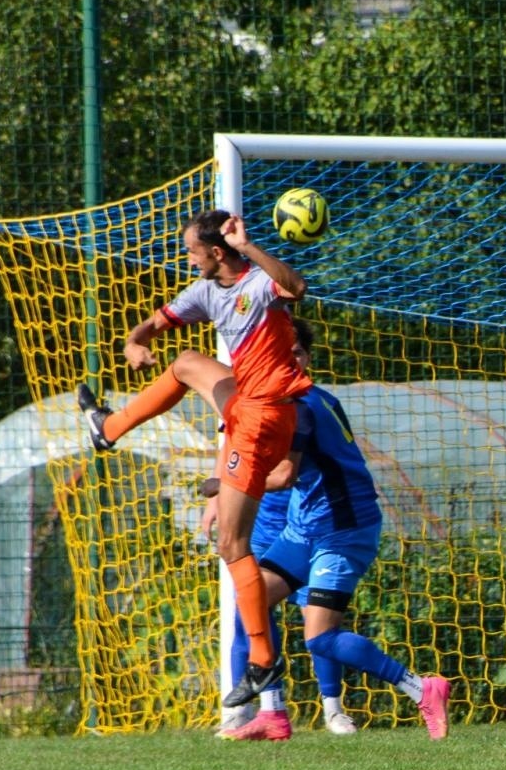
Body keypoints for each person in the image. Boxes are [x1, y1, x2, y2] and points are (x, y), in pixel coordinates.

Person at [77, 210, 312, 708]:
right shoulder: (205, 292)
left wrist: (249, 246)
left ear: (218, 252)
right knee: (185, 364)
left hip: (262, 419)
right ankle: (109, 428)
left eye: (192, 251)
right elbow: (157, 324)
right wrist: (134, 341)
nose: (188, 258)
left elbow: (297, 287)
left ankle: (264, 663)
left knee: (232, 544)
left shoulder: (258, 284)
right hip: (250, 406)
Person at [206, 321, 451, 742]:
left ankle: (421, 688)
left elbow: (283, 475)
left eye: (296, 353)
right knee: (252, 601)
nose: (288, 361)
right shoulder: (294, 401)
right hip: (305, 528)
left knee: (319, 637)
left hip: (342, 529)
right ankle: (273, 714)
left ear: (304, 358)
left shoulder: (302, 406)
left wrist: (224, 485)